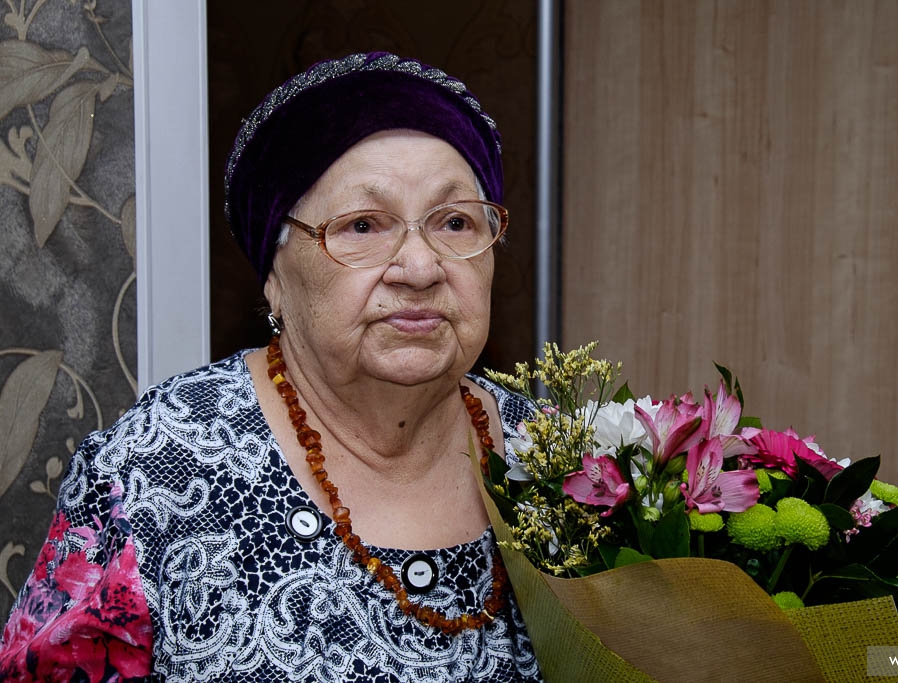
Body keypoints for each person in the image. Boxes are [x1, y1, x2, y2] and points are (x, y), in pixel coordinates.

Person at [0, 52, 542, 682]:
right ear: (275, 279)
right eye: (363, 225)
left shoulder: (554, 460)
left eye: (455, 222)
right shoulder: (152, 470)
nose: (420, 268)